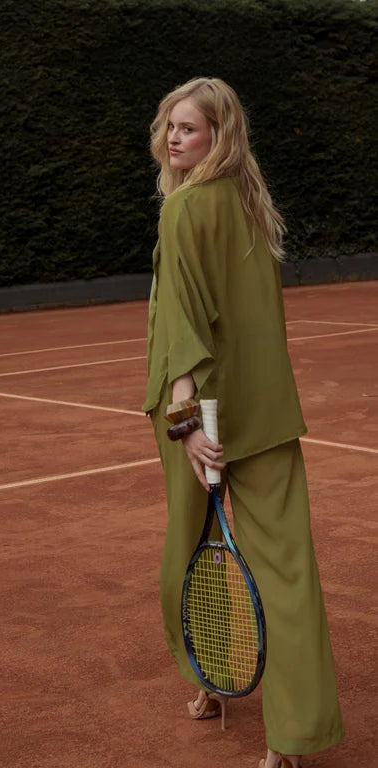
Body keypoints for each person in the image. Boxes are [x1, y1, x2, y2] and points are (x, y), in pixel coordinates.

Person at [142, 77, 344, 768]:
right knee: (286, 572)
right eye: (169, 125)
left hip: (201, 416)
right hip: (267, 413)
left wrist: (185, 423)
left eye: (189, 128)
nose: (174, 137)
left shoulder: (184, 209)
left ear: (217, 136)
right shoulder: (250, 204)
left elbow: (181, 331)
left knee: (187, 556)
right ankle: (288, 733)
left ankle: (208, 679)